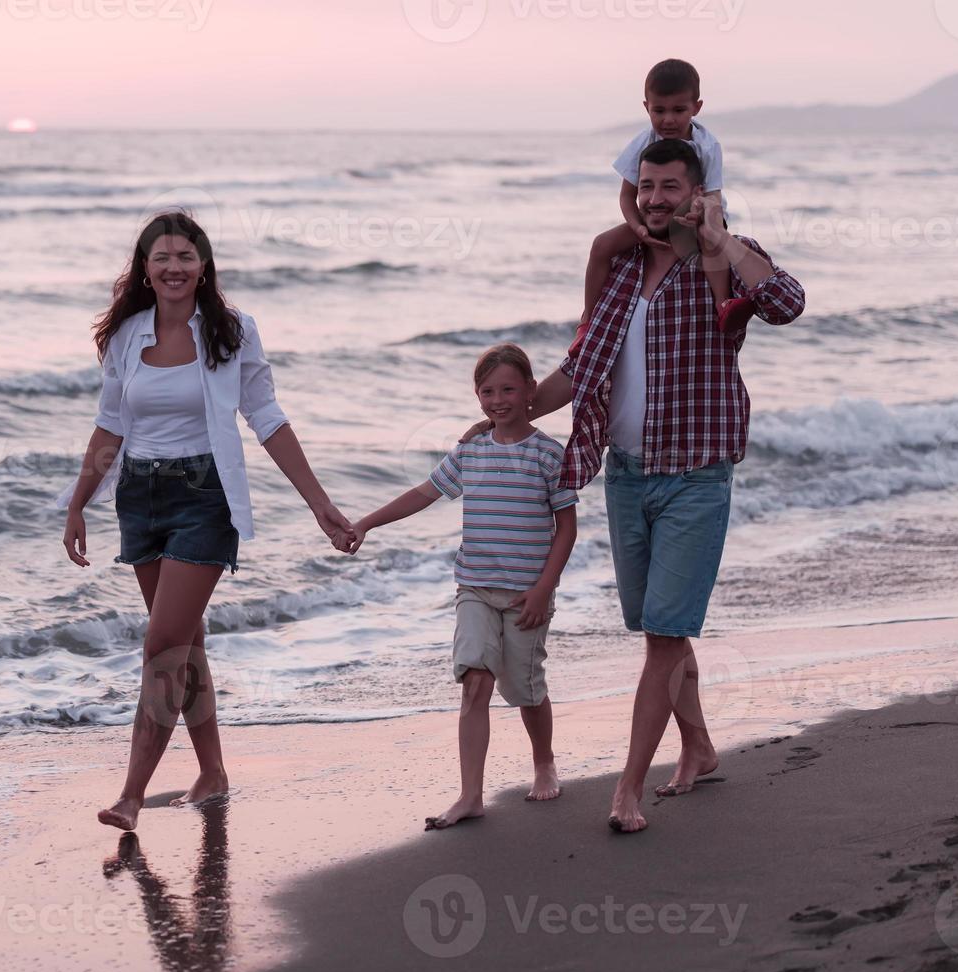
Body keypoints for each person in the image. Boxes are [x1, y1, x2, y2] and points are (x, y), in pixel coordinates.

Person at [463, 139, 805, 833]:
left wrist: (723, 240)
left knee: (662, 635)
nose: (654, 199)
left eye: (669, 187)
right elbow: (579, 367)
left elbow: (788, 302)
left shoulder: (723, 264)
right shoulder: (620, 270)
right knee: (660, 630)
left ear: (697, 191)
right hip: (624, 476)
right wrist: (510, 413)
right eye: (646, 186)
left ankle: (628, 790)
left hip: (696, 477)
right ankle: (700, 746)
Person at [58, 210, 356, 832]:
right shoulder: (124, 336)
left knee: (161, 645)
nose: (174, 268)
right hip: (138, 496)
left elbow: (267, 417)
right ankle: (213, 771)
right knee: (185, 643)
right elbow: (111, 423)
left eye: (186, 257)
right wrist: (78, 500)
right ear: (144, 267)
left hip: (205, 496)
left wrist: (317, 501)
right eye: (162, 257)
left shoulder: (232, 331)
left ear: (204, 265)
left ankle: (132, 795)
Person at [345, 344, 578, 830]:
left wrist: (543, 590)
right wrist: (365, 523)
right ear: (477, 396)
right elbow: (423, 494)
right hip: (473, 588)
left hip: (525, 595)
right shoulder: (470, 451)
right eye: (488, 391)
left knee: (526, 690)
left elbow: (567, 528)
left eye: (509, 389)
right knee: (475, 682)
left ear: (531, 391)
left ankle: (544, 760)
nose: (499, 399)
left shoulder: (549, 455)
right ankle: (470, 794)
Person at [581, 58, 732, 333]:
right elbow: (628, 196)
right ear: (646, 107)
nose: (668, 119)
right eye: (659, 110)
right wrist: (638, 228)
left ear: (696, 108)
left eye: (679, 109)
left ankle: (725, 307)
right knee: (601, 245)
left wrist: (704, 218)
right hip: (651, 219)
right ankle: (587, 320)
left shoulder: (707, 145)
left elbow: (714, 195)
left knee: (713, 240)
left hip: (694, 216)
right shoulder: (643, 142)